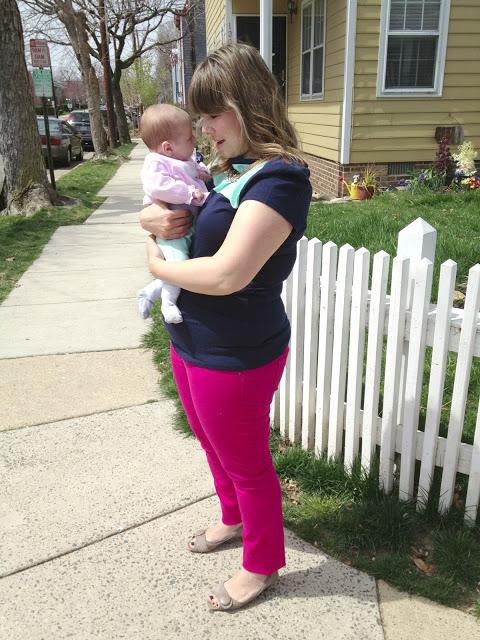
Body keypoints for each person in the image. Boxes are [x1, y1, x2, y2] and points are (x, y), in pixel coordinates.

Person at [139, 43, 312, 611]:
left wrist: (156, 264)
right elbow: (168, 208)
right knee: (213, 443)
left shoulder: (281, 179)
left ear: (245, 105)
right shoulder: (231, 169)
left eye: (213, 114)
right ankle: (233, 519)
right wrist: (150, 220)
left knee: (246, 460)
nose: (204, 128)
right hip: (191, 337)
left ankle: (262, 563)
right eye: (202, 117)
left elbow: (229, 272)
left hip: (237, 351)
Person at [137, 103, 210, 322]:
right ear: (168, 147)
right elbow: (158, 187)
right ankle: (168, 304)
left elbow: (195, 171)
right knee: (178, 266)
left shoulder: (182, 159)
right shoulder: (156, 163)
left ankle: (149, 292)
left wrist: (203, 173)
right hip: (173, 230)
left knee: (180, 265)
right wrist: (189, 193)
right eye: (189, 138)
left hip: (187, 224)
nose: (195, 140)